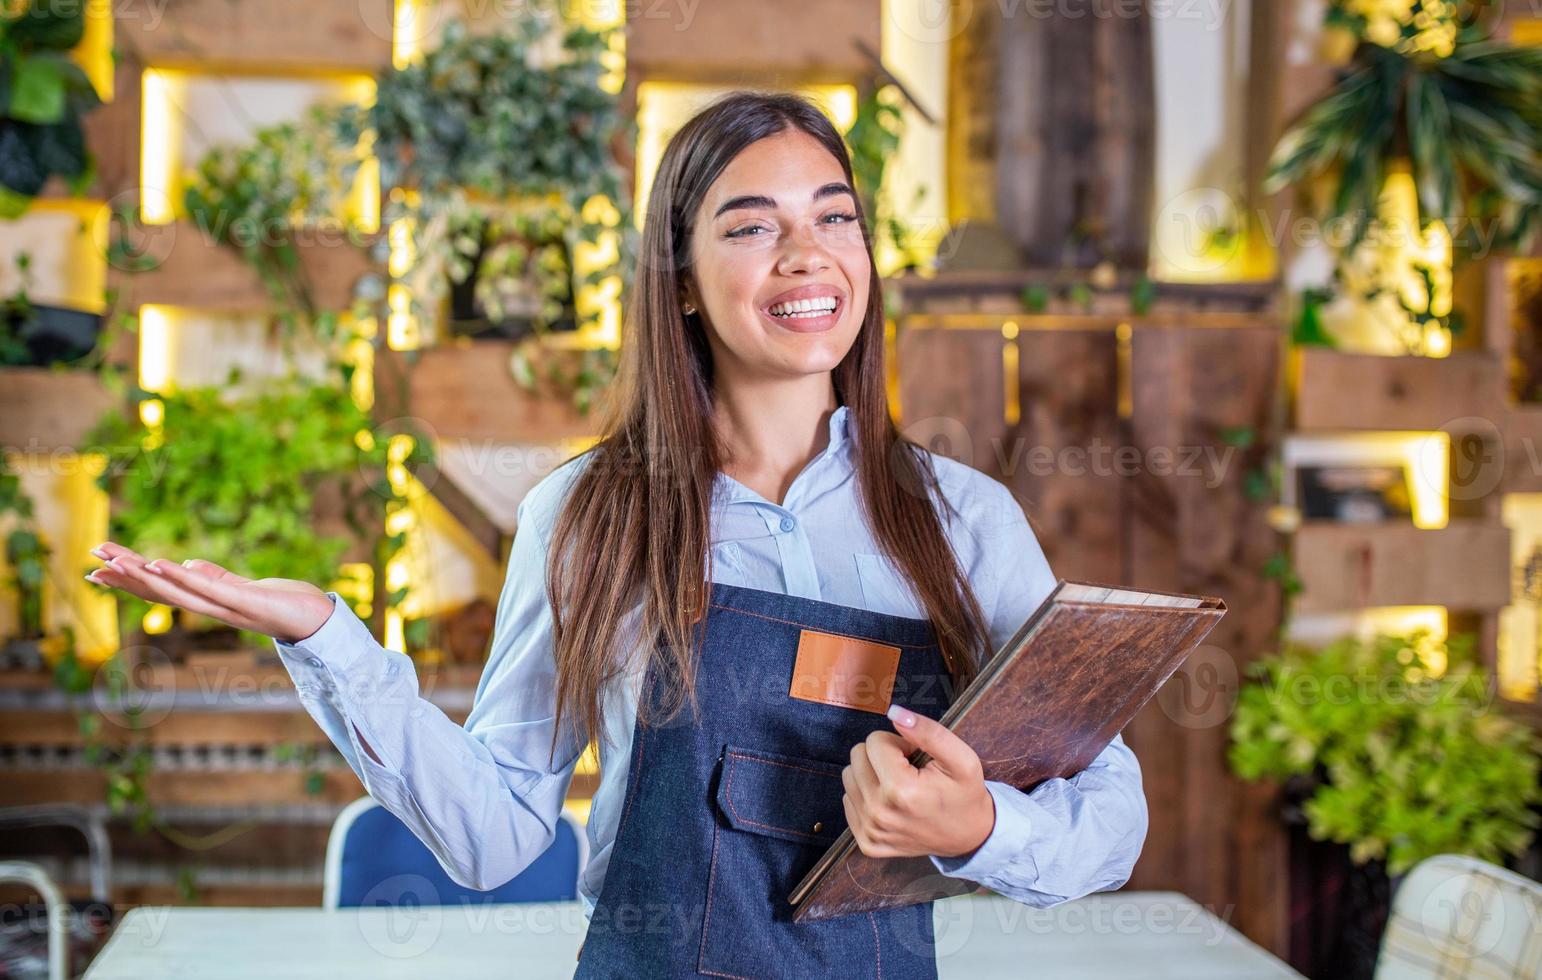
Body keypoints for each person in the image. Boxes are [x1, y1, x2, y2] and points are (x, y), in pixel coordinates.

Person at [86, 91, 1148, 978]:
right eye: (750, 226)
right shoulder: (589, 517)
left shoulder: (961, 521)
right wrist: (328, 637)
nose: (807, 256)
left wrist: (979, 831)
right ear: (679, 280)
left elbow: (1106, 806)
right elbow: (497, 832)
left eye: (834, 217)